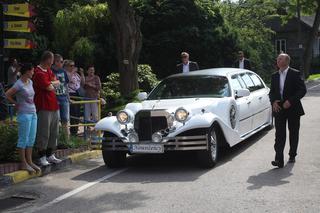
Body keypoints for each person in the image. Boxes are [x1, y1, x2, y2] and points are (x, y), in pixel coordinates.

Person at [269, 53, 306, 168]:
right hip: (279, 108)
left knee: (293, 132)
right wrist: (274, 101)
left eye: (280, 58)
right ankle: (279, 159)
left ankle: (292, 155)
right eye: (277, 58)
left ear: (287, 61)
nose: (278, 60)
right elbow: (272, 92)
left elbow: (302, 90)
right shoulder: (274, 76)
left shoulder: (295, 74)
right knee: (279, 134)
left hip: (293, 108)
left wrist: (290, 101)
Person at [5, 63, 41, 173]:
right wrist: (16, 103)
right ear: (27, 71)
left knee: (31, 139)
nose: (33, 72)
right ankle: (23, 163)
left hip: (33, 112)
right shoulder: (18, 83)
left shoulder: (30, 82)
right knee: (23, 139)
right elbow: (7, 95)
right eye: (32, 71)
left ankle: (29, 161)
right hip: (24, 114)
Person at [33, 51, 62, 166]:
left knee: (54, 132)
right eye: (52, 59)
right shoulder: (38, 72)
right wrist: (52, 83)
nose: (53, 62)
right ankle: (41, 156)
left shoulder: (49, 71)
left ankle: (50, 154)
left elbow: (58, 83)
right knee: (44, 132)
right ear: (46, 60)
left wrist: (52, 83)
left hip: (54, 106)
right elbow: (50, 87)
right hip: (44, 106)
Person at [65, 60, 85, 136]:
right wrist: (72, 72)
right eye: (71, 65)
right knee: (73, 112)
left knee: (77, 113)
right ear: (66, 66)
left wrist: (82, 73)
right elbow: (67, 80)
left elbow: (82, 83)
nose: (73, 67)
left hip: (78, 93)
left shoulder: (76, 74)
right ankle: (73, 131)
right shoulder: (66, 73)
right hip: (71, 93)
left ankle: (75, 129)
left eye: (73, 65)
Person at [52, 54, 70, 136]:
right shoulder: (50, 71)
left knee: (65, 120)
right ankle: (57, 140)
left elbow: (66, 85)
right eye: (61, 61)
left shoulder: (63, 71)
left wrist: (68, 98)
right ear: (56, 62)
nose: (62, 63)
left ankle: (66, 140)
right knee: (56, 121)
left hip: (64, 99)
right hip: (54, 99)